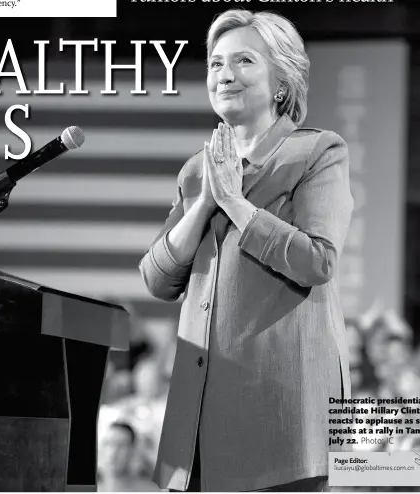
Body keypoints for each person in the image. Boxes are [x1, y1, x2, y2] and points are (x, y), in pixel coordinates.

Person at [139, 8, 353, 492]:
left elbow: (319, 261)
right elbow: (157, 279)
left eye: (243, 61)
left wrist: (236, 203)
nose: (224, 75)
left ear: (281, 81)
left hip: (280, 421)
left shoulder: (317, 153)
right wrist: (205, 205)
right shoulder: (198, 170)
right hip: (196, 420)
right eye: (215, 64)